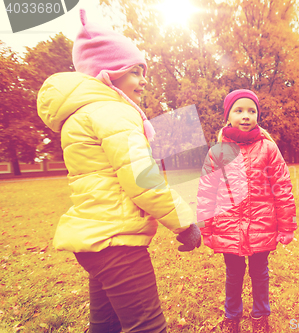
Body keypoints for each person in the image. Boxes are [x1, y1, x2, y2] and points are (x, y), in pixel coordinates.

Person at [37, 9, 200, 333]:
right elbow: (142, 180)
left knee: (105, 326)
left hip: (95, 240)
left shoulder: (82, 114)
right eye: (136, 71)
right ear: (109, 71)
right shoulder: (114, 112)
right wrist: (184, 223)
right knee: (148, 327)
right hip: (117, 243)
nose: (143, 80)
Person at [197, 89, 297, 333]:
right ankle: (232, 315)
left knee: (259, 272)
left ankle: (261, 315)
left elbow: (282, 188)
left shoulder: (268, 149)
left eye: (251, 111)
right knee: (233, 274)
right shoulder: (217, 152)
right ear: (227, 116)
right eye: (239, 110)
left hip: (261, 226)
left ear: (257, 116)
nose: (246, 116)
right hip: (228, 227)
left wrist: (287, 226)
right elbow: (206, 194)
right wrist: (206, 229)